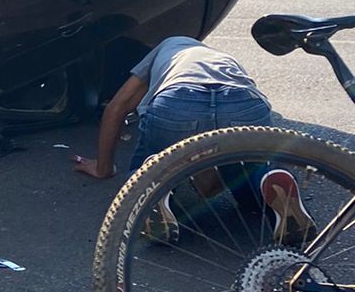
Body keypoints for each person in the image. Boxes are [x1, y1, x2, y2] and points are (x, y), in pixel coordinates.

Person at [71, 35, 311, 245]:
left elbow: (117, 106)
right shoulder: (222, 58)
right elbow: (209, 180)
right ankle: (269, 180)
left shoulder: (166, 46)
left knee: (148, 169)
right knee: (253, 164)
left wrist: (103, 168)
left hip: (179, 101)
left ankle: (153, 187)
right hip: (242, 102)